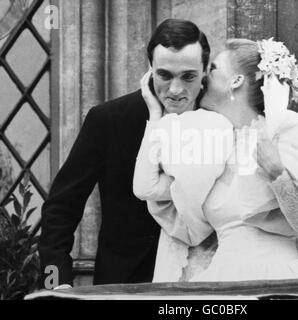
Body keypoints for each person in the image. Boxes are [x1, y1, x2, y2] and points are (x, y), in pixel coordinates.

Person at [133, 38, 298, 281]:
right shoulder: (209, 145)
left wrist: (277, 173)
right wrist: (155, 115)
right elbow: (146, 188)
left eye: (213, 68)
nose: (204, 74)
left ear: (235, 81)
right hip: (219, 278)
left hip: (279, 277)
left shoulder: (284, 136)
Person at [38, 18, 211, 287]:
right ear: (150, 68)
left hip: (203, 280)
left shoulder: (220, 121)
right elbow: (61, 207)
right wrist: (55, 282)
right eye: (164, 75)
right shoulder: (108, 119)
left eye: (188, 76)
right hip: (123, 284)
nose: (175, 90)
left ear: (206, 71)